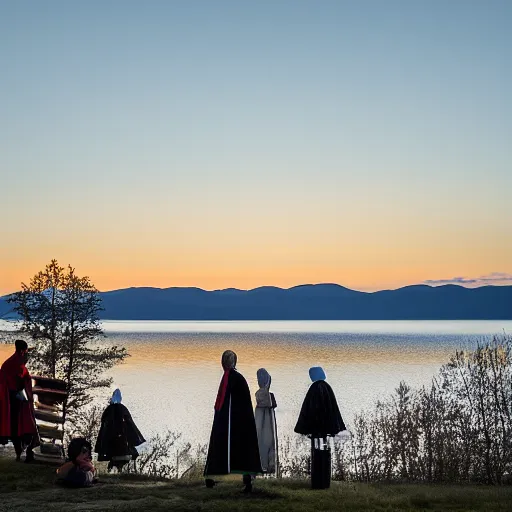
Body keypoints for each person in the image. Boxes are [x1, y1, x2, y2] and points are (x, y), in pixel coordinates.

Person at [204, 350, 262, 492]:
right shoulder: (233, 377)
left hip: (234, 423)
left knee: (231, 447)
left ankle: (244, 479)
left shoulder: (232, 378)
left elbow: (229, 402)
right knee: (232, 447)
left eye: (226, 360)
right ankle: (217, 477)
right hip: (234, 422)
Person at [294, 366, 345, 489]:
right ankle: (324, 482)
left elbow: (308, 410)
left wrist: (306, 428)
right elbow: (333, 410)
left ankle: (318, 483)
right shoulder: (327, 388)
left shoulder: (314, 389)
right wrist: (333, 427)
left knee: (317, 455)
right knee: (325, 454)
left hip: (317, 432)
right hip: (325, 431)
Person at [0, 340, 39, 462]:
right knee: (23, 428)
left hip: (8, 401)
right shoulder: (19, 363)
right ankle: (25, 453)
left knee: (13, 429)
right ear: (23, 350)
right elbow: (23, 379)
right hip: (19, 400)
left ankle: (19, 454)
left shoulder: (7, 363)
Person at [95, 388, 146, 471]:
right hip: (118, 445)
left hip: (118, 445)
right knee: (118, 460)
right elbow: (130, 425)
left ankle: (116, 469)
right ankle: (117, 469)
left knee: (118, 460)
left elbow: (104, 427)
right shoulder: (118, 410)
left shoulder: (111, 411)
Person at [254, 368, 278, 475]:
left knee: (261, 442)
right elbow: (271, 405)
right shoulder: (268, 395)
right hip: (267, 424)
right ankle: (268, 466)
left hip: (260, 422)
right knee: (268, 442)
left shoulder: (259, 395)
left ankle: (261, 466)